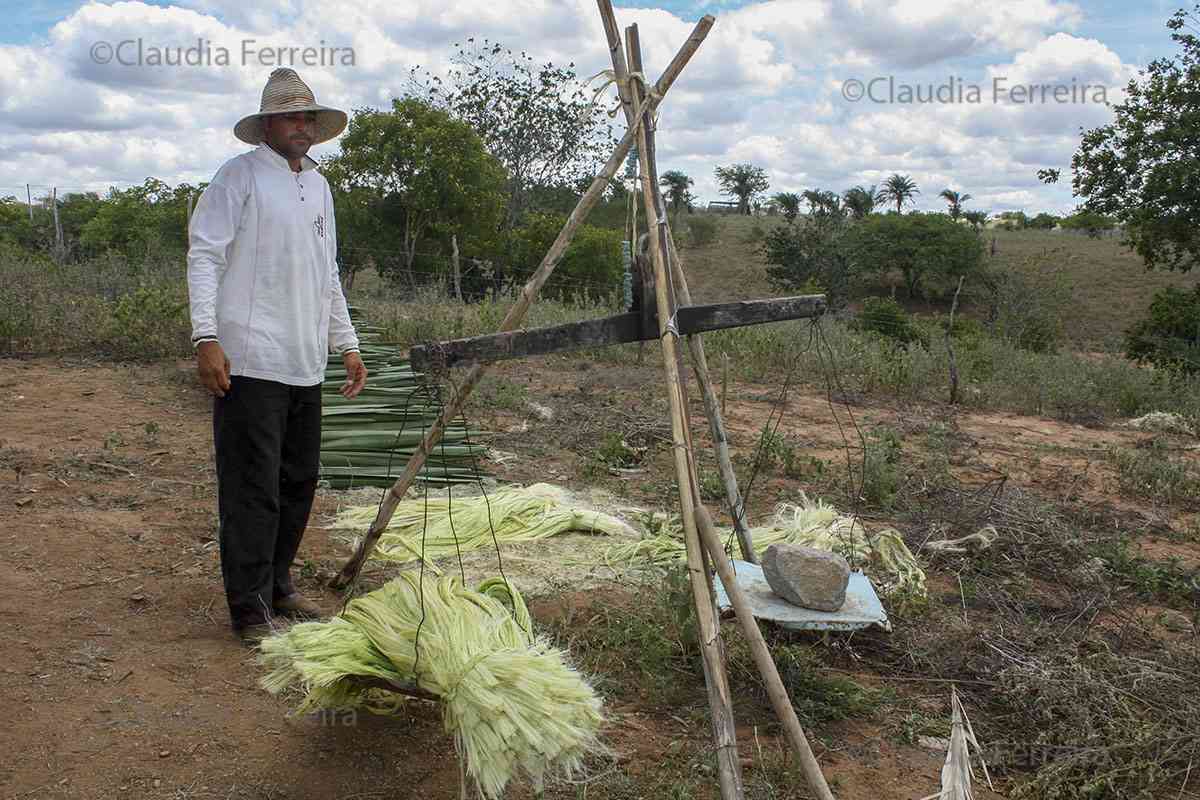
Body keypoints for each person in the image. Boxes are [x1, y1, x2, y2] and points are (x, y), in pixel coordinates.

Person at [187, 68, 368, 644]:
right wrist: (205, 337)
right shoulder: (237, 178)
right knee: (251, 487)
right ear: (267, 124)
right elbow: (204, 256)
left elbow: (327, 272)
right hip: (250, 358)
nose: (302, 127)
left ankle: (280, 585)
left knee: (298, 479)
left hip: (303, 357)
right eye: (291, 116)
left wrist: (347, 342)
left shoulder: (318, 185)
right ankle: (248, 608)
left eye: (308, 117)